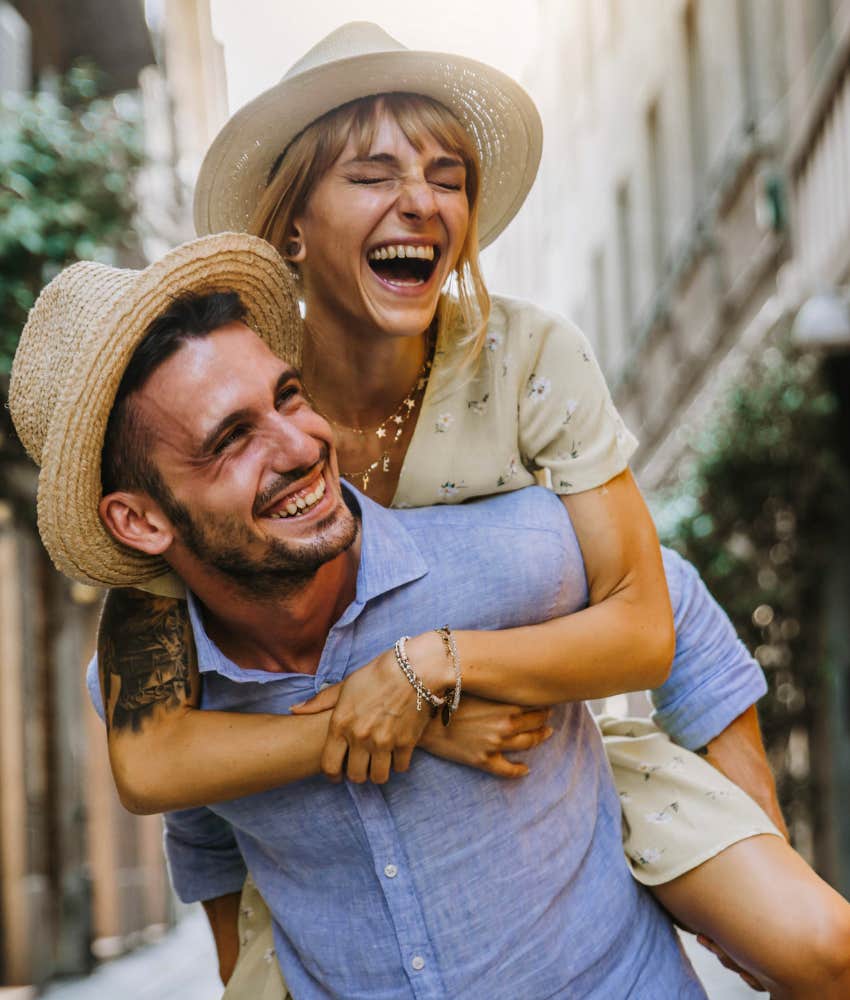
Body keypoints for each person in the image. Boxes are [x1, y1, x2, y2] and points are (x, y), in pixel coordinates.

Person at [30, 21, 850, 997]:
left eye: (448, 174)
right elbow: (169, 769)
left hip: (551, 743)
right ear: (294, 222)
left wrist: (434, 670)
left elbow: (654, 603)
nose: (421, 200)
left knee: (817, 945)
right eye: (373, 174)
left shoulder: (524, 360)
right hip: (336, 852)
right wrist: (414, 718)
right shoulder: (230, 428)